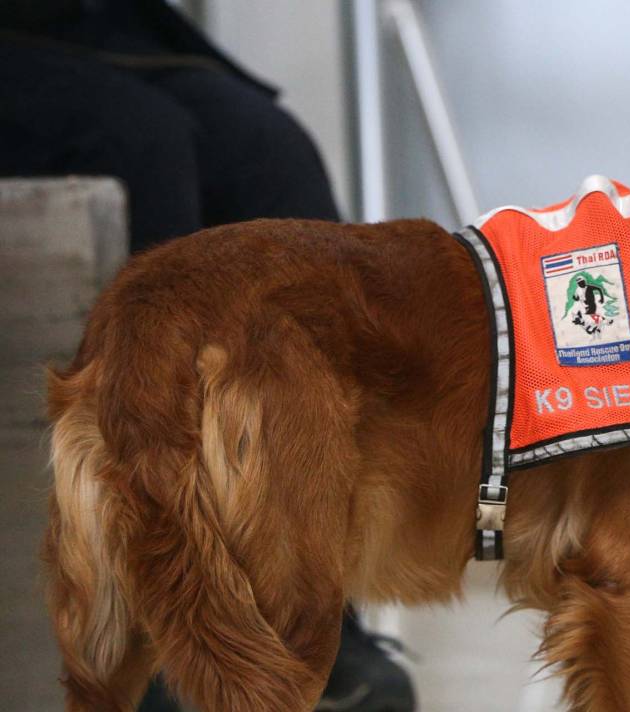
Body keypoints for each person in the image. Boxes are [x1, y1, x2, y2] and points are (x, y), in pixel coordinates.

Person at [0, 2, 416, 709]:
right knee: (138, 141)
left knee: (269, 147)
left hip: (72, 22)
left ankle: (310, 602)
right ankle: (167, 616)